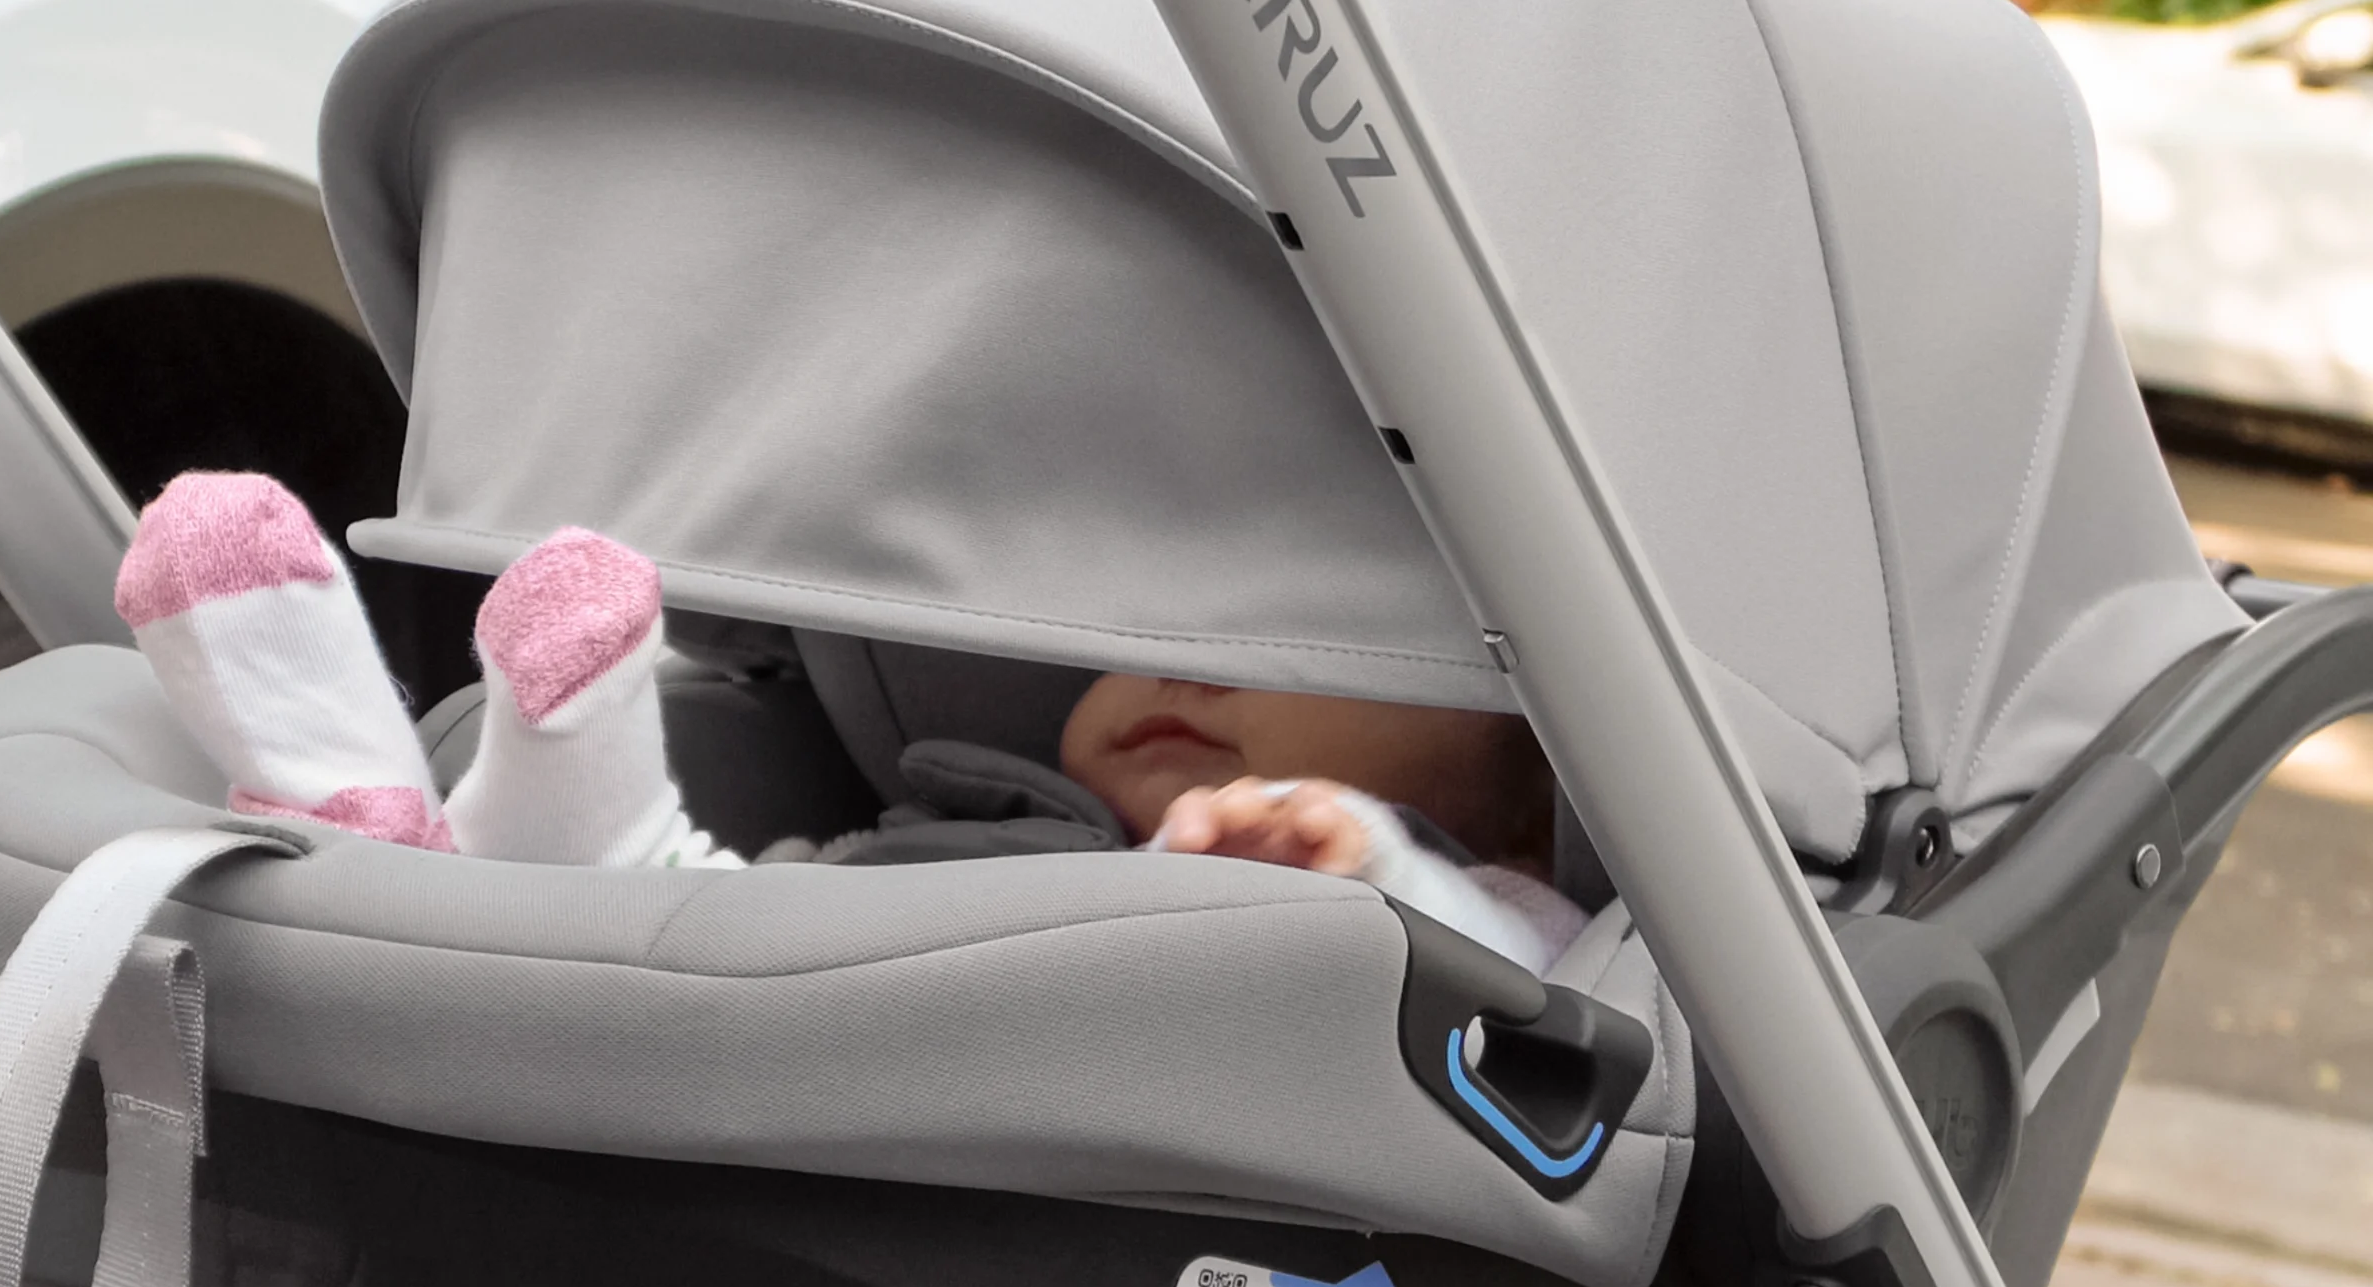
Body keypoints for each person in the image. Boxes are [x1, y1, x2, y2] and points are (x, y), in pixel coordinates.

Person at [118, 472, 1584, 973]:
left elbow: (1532, 984)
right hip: (779, 949)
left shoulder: (1486, 874)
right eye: (1146, 634)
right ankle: (393, 827)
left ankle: (472, 838)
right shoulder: (955, 804)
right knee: (714, 911)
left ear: (1529, 780)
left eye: (1299, 632)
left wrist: (1378, 874)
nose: (1182, 667)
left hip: (1081, 1054)